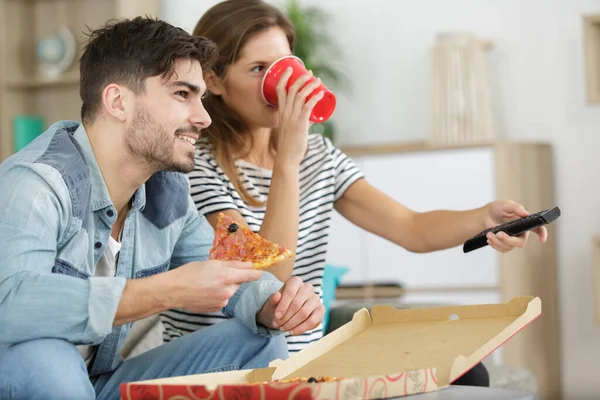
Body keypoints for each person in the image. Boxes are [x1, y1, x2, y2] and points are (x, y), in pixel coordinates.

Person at [159, 0, 548, 388]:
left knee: (466, 370)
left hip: (307, 362)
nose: (278, 84)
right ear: (214, 80)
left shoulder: (318, 155)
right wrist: (288, 162)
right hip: (233, 366)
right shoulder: (194, 165)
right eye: (258, 70)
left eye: (282, 66)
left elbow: (411, 228)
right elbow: (266, 282)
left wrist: (485, 217)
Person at [0, 16, 325, 400]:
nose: (203, 117)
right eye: (182, 94)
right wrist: (164, 290)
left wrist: (276, 303)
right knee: (50, 361)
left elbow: (235, 269)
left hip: (98, 382)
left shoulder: (167, 194)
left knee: (258, 341)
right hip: (28, 374)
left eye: (201, 97)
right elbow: (10, 304)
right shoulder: (37, 183)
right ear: (118, 101)